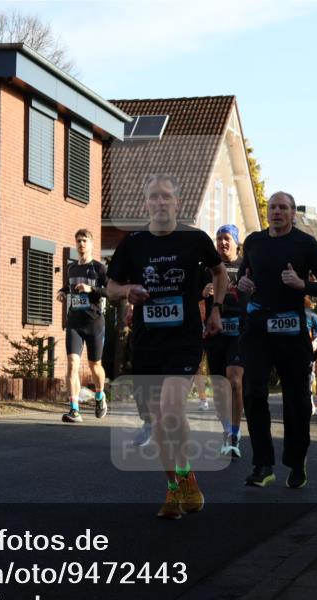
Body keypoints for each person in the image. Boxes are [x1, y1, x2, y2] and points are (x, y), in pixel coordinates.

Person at [106, 174, 226, 519]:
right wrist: (127, 291)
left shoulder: (195, 239)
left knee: (172, 408)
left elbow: (220, 274)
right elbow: (111, 287)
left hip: (184, 340)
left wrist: (215, 310)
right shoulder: (134, 244)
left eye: (166, 197)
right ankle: (176, 488)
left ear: (177, 203)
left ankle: (184, 477)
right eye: (154, 197)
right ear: (147, 204)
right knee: (159, 420)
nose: (160, 202)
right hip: (147, 343)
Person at [238, 192, 317, 488]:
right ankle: (263, 464)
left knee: (296, 401)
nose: (277, 212)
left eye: (283, 208)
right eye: (272, 207)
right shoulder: (254, 242)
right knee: (254, 393)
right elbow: (245, 279)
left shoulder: (306, 244)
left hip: (292, 329)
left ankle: (296, 461)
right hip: (257, 329)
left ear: (293, 213)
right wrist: (241, 284)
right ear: (267, 212)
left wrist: (302, 284)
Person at [202, 224, 246, 458]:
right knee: (219, 387)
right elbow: (192, 294)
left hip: (239, 331)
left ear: (236, 242)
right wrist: (203, 291)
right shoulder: (208, 268)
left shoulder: (247, 266)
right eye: (218, 239)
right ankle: (226, 429)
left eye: (227, 238)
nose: (222, 243)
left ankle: (235, 433)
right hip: (215, 332)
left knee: (235, 380)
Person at [57, 228, 109, 423]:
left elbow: (110, 291)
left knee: (95, 365)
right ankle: (74, 409)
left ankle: (100, 396)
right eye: (78, 241)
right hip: (74, 323)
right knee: (72, 364)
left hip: (94, 323)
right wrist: (62, 292)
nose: (81, 244)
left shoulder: (99, 268)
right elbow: (67, 286)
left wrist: (92, 289)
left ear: (91, 244)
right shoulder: (71, 268)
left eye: (85, 240)